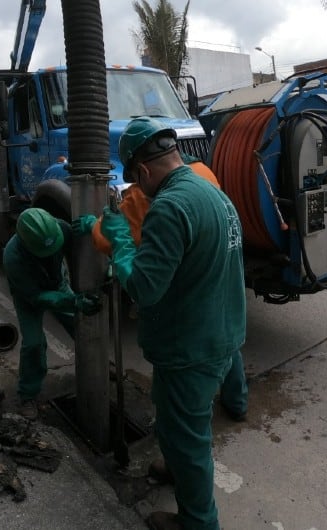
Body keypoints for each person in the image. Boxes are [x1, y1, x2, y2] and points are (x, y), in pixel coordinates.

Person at [99, 117, 247, 530]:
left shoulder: (168, 207)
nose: (136, 190)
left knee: (189, 436)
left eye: (134, 181)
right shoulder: (211, 191)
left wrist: (122, 243)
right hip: (221, 331)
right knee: (178, 421)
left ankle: (198, 522)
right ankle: (177, 465)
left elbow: (144, 287)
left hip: (190, 347)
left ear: (142, 171)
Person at [83, 151, 248, 424]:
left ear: (143, 172)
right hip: (222, 301)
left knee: (185, 425)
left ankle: (182, 461)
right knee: (227, 351)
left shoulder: (158, 200)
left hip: (191, 331)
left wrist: (98, 228)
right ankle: (237, 402)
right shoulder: (204, 176)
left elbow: (139, 279)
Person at [3, 207, 101, 419]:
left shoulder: (60, 228)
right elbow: (37, 298)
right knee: (33, 343)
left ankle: (98, 366)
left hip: (57, 283)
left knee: (80, 323)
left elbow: (84, 249)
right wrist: (73, 301)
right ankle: (28, 395)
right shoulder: (12, 258)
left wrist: (92, 227)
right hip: (30, 295)